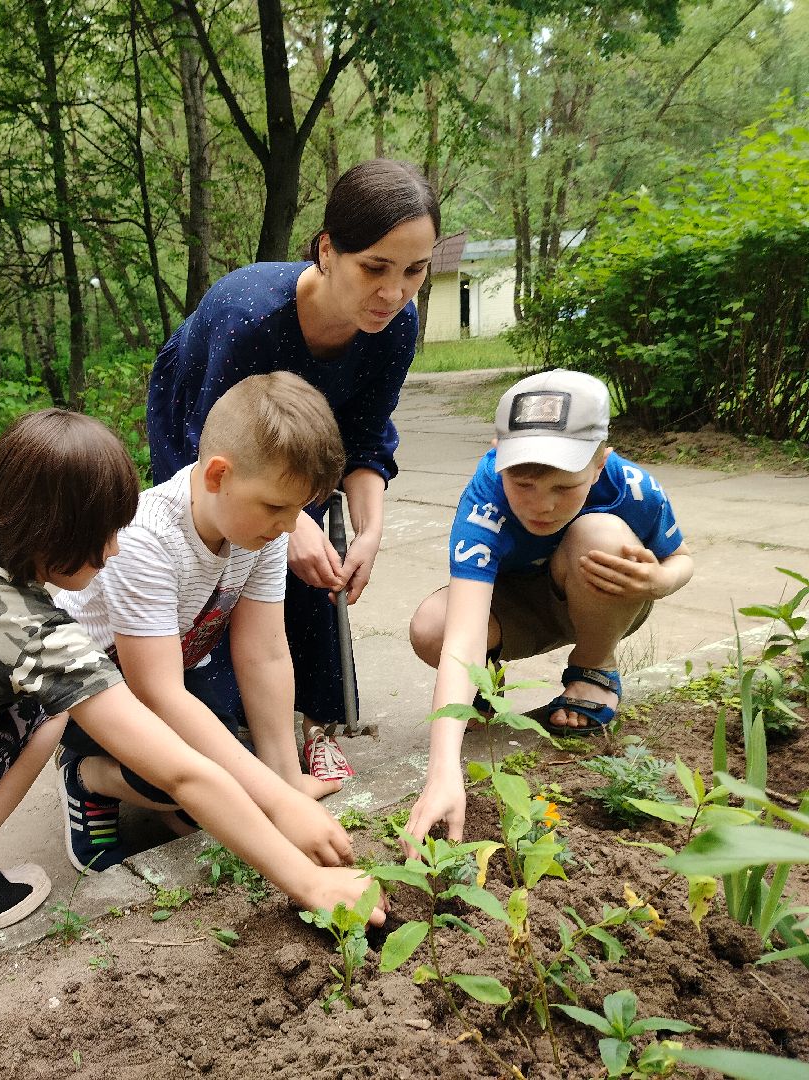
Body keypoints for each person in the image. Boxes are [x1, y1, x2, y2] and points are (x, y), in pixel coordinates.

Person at [0, 408, 383, 960]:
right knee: (44, 712)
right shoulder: (42, 641)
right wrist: (307, 880)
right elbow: (184, 773)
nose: (113, 552)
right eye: (103, 536)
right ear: (58, 535)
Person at [146, 158, 440, 786]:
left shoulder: (396, 327)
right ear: (328, 250)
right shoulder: (249, 313)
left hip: (309, 435)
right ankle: (196, 704)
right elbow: (216, 445)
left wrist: (368, 529)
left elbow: (364, 439)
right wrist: (291, 521)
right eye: (374, 268)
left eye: (415, 271)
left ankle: (307, 722)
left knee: (304, 566)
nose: (393, 293)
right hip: (205, 425)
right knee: (225, 552)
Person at [56, 373, 362, 884]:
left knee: (230, 789)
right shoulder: (144, 538)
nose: (289, 527)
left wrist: (284, 783)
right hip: (84, 696)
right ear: (219, 475)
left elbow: (263, 653)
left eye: (298, 511)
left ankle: (171, 797)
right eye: (276, 507)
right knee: (201, 782)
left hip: (164, 672)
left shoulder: (261, 530)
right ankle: (88, 776)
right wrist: (275, 803)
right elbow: (158, 696)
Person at [404, 369, 694, 845]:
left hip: (601, 593)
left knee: (596, 534)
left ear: (601, 463)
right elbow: (461, 633)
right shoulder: (484, 497)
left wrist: (659, 580)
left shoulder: (632, 487)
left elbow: (681, 559)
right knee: (433, 624)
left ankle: (593, 667)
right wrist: (442, 771)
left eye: (564, 488)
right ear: (498, 455)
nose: (542, 506)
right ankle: (485, 681)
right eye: (523, 485)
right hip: (518, 606)